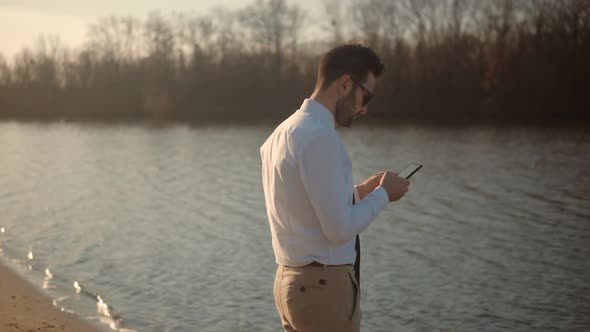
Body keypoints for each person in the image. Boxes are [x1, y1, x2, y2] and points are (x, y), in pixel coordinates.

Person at [260, 43, 410, 332]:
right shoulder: (321, 138)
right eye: (366, 96)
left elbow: (301, 204)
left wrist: (359, 192)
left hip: (289, 285)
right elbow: (339, 229)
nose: (364, 109)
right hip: (322, 292)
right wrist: (383, 195)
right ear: (344, 84)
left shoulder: (282, 132)